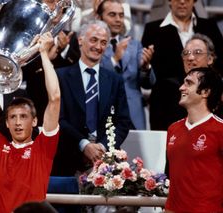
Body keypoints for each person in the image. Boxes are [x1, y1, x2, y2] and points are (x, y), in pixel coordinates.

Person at [0, 32, 60, 213]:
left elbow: (55, 98)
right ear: (7, 123)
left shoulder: (43, 148)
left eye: (23, 117)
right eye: (13, 117)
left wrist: (43, 53)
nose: (18, 122)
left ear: (34, 121)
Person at [51, 20, 132, 176]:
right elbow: (57, 119)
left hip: (105, 161)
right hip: (67, 159)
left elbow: (123, 122)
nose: (98, 47)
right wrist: (84, 145)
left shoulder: (115, 80)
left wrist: (102, 146)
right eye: (93, 40)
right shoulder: (60, 76)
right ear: (81, 40)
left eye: (103, 42)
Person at [141, 0, 223, 130]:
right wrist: (146, 67)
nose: (182, 2)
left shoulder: (209, 27)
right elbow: (145, 81)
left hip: (207, 102)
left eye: (198, 52)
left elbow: (220, 66)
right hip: (166, 106)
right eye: (186, 53)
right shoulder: (152, 30)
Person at [165, 67, 223, 212]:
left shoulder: (220, 130)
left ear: (205, 92)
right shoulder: (173, 129)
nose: (181, 87)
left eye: (188, 83)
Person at [96, 0, 156, 130]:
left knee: (136, 151)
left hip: (134, 113)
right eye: (112, 15)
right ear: (99, 17)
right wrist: (115, 59)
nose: (118, 19)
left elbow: (148, 83)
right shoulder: (92, 46)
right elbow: (95, 78)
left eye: (121, 15)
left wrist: (146, 67)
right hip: (104, 112)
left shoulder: (134, 45)